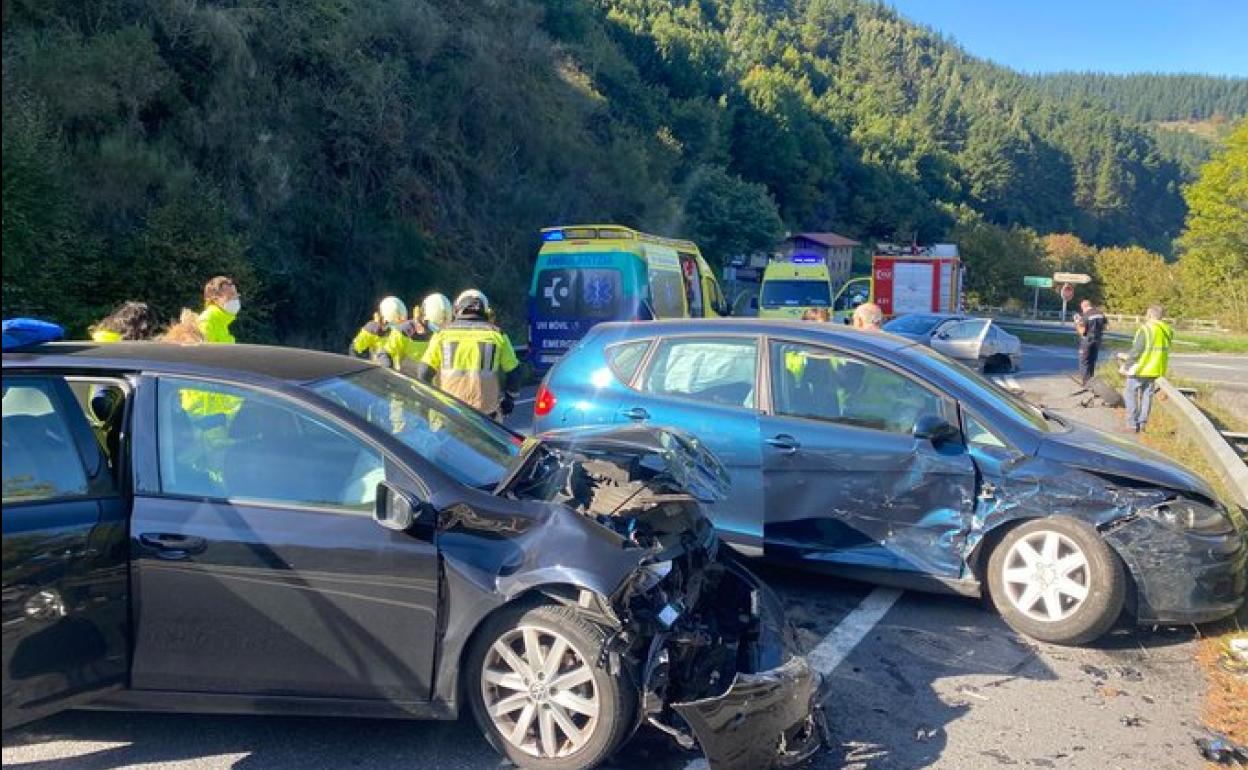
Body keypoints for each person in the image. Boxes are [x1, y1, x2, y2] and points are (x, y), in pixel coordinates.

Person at [416, 290, 520, 419]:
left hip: (450, 414)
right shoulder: (498, 335)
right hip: (486, 417)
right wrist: (509, 400)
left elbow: (424, 372)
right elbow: (514, 372)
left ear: (457, 309)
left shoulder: (442, 335)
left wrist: (426, 406)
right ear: (485, 311)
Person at [1122, 305, 1173, 433]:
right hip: (1156, 369)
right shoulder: (1166, 330)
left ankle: (1131, 425)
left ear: (1149, 315)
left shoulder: (1147, 329)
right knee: (1147, 397)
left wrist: (1127, 365)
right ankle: (1142, 424)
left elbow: (1137, 351)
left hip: (1141, 368)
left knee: (1130, 394)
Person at [1073, 299, 1107, 386]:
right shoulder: (1100, 314)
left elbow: (1082, 331)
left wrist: (1077, 322)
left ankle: (1086, 383)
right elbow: (1106, 327)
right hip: (1097, 340)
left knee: (1084, 362)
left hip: (1087, 340)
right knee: (1092, 361)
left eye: (1082, 309)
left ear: (1084, 307)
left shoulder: (1086, 315)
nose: (1082, 311)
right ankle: (1092, 382)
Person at [198, 276, 241, 344]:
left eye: (236, 295)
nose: (235, 299)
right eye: (231, 295)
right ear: (215, 299)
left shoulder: (221, 322)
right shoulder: (206, 321)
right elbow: (204, 352)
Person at [90, 301, 156, 342]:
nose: (144, 327)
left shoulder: (99, 337)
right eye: (138, 322)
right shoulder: (117, 344)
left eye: (148, 322)